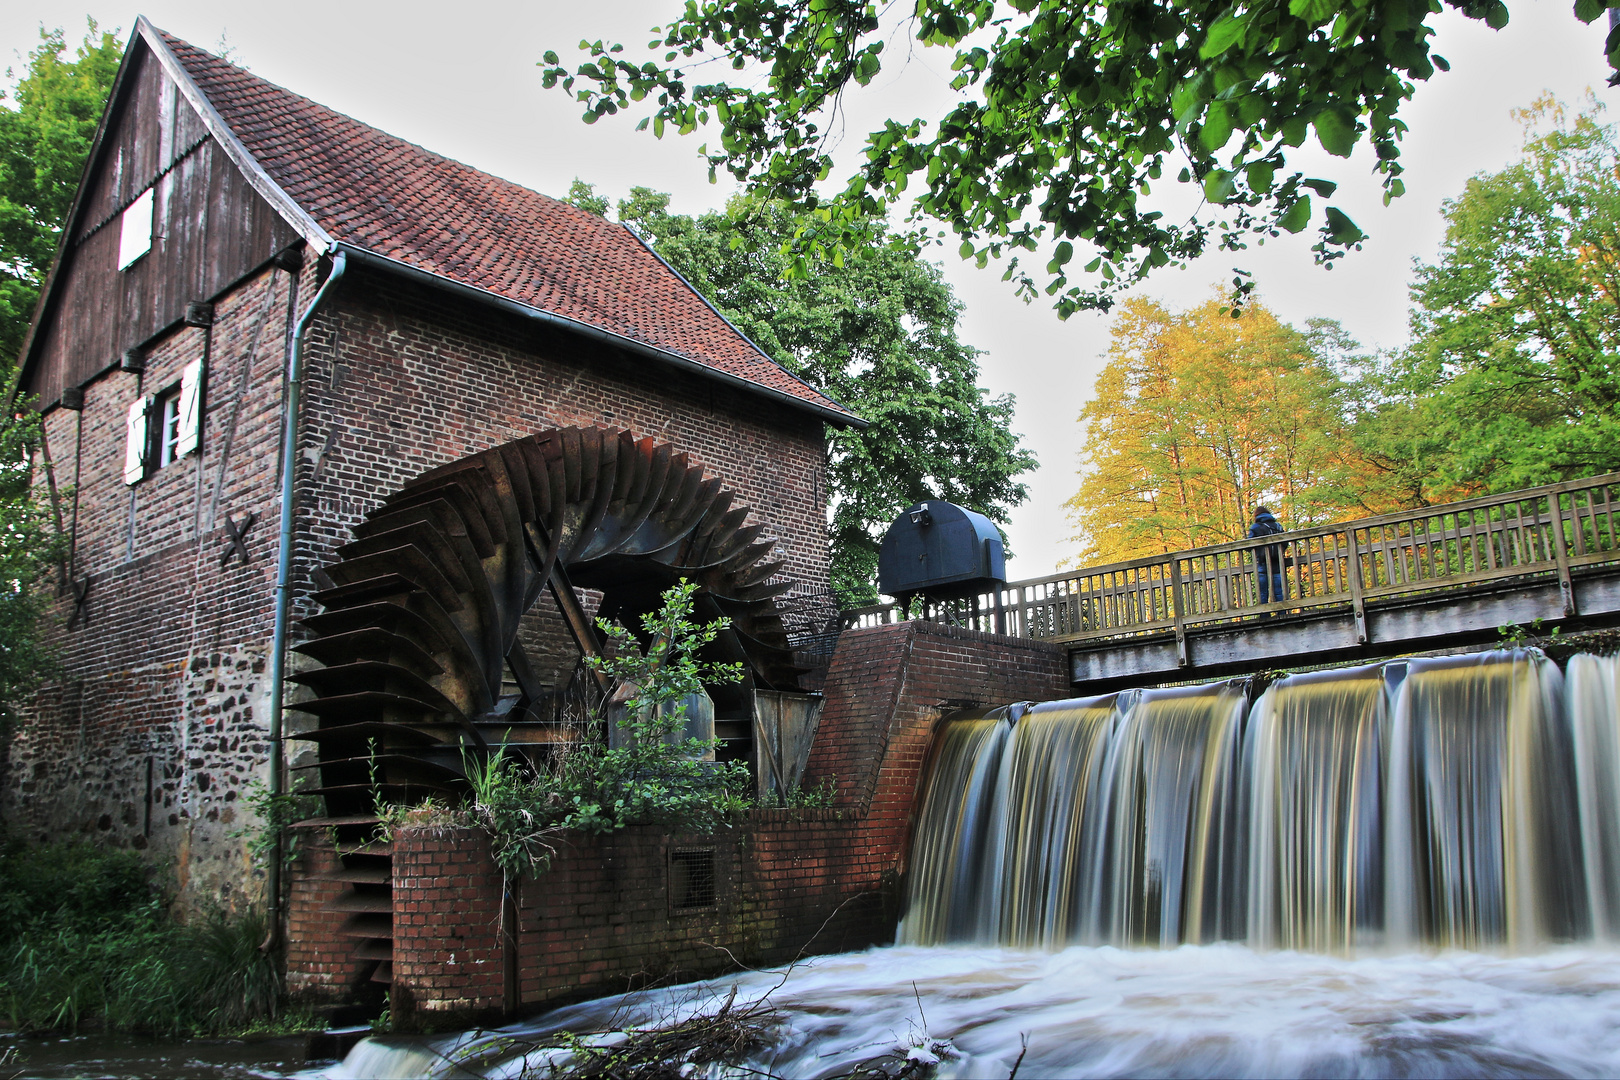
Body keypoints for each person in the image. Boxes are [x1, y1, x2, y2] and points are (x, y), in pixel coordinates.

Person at [1249, 505, 1286, 607]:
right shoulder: (1277, 526)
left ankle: (1264, 614)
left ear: (1256, 516)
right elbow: (1285, 543)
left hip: (1262, 561)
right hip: (1277, 561)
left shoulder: (1255, 527)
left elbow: (1248, 545)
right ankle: (1282, 613)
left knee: (1262, 592)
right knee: (1279, 590)